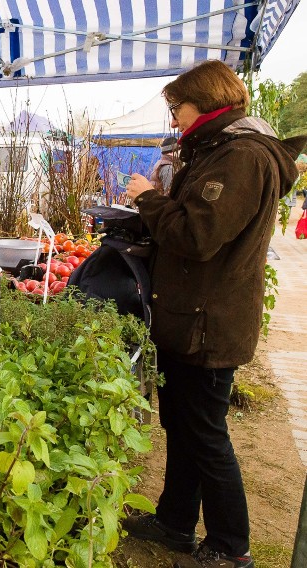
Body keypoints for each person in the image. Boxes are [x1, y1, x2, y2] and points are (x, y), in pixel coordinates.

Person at [122, 60, 306, 568]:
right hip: (193, 315)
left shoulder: (242, 156)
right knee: (182, 427)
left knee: (205, 434)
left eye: (176, 107)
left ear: (205, 102)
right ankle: (176, 522)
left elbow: (198, 236)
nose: (174, 118)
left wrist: (150, 200)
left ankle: (231, 546)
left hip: (209, 322)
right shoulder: (220, 150)